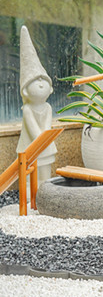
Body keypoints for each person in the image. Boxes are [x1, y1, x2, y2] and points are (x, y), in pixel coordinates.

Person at [16, 26, 57, 192]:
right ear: (25, 90)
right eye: (35, 80)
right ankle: (29, 194)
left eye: (43, 80)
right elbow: (34, 130)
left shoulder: (47, 107)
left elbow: (46, 126)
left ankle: (44, 193)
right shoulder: (27, 109)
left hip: (45, 146)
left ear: (50, 88)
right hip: (31, 146)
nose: (41, 83)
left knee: (45, 175)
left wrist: (44, 141)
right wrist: (42, 141)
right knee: (29, 173)